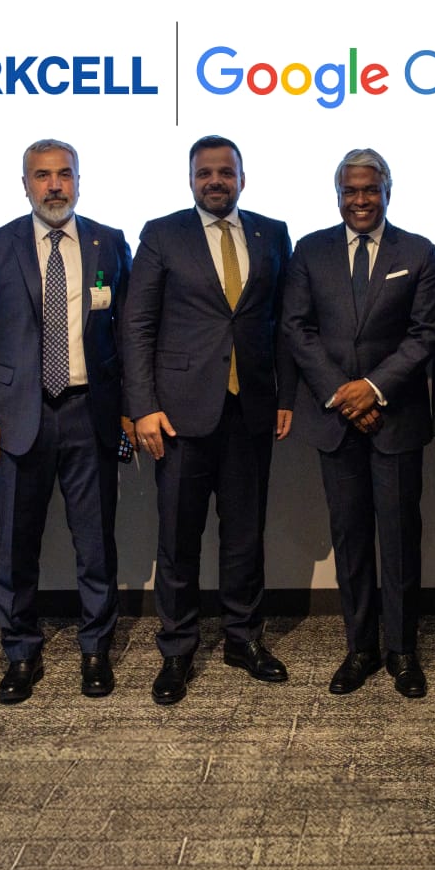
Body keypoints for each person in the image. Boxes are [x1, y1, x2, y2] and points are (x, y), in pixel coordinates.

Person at [0, 138, 132, 704]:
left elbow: (129, 333)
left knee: (96, 544)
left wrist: (130, 410)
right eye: (42, 175)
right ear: (25, 183)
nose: (54, 185)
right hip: (15, 420)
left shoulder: (109, 242)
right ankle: (20, 653)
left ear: (78, 179)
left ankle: (96, 650)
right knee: (15, 547)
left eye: (64, 174)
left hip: (89, 412)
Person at [124, 135, 297, 705]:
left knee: (245, 535)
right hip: (178, 414)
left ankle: (243, 638)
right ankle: (177, 649)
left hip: (251, 410)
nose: (215, 181)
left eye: (225, 172)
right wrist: (143, 407)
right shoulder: (161, 234)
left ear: (242, 178)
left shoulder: (273, 233)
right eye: (205, 172)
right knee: (179, 538)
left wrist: (286, 394)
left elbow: (283, 322)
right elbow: (137, 325)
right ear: (191, 179)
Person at [281, 148, 435, 698]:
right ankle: (360, 649)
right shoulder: (310, 250)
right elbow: (297, 329)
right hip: (335, 421)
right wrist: (342, 394)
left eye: (370, 189)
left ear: (387, 192)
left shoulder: (418, 251)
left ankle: (401, 650)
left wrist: (372, 389)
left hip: (395, 419)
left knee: (399, 540)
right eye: (350, 191)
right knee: (350, 540)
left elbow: (426, 333)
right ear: (338, 196)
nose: (360, 200)